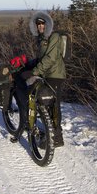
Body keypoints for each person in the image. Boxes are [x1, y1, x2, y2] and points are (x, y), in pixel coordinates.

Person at [12, 10, 67, 146]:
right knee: (45, 102)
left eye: (42, 24)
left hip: (55, 75)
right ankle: (46, 130)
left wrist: (35, 71)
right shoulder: (42, 39)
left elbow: (50, 58)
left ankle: (57, 138)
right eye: (38, 24)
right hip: (46, 74)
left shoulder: (54, 37)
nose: (40, 26)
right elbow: (41, 58)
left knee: (54, 105)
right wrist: (29, 65)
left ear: (48, 24)